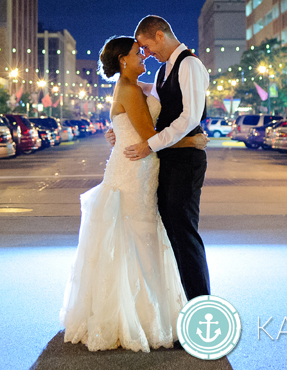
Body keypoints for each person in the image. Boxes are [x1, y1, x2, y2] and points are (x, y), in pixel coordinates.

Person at [61, 36, 206, 352]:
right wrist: (190, 141)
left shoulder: (134, 87)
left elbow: (140, 122)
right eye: (137, 54)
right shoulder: (128, 89)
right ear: (123, 60)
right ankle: (140, 318)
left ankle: (138, 312)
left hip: (135, 166)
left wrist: (117, 130)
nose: (144, 57)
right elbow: (150, 137)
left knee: (137, 239)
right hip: (134, 171)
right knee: (139, 239)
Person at [123, 15, 211, 301]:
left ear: (160, 35)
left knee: (184, 233)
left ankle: (201, 307)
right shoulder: (163, 72)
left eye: (147, 46)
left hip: (187, 161)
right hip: (169, 160)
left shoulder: (190, 64)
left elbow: (189, 118)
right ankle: (181, 307)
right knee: (172, 233)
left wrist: (150, 144)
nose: (147, 54)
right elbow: (148, 101)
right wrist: (119, 129)